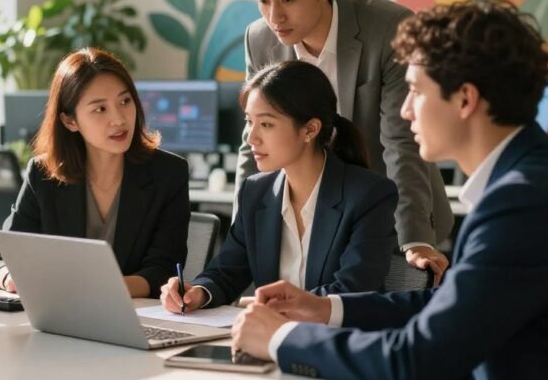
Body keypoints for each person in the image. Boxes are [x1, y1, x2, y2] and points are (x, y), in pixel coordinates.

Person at [231, 0, 548, 380]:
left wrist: (283, 338)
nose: (405, 109)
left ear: (465, 99)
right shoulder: (540, 178)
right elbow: (450, 304)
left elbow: (414, 366)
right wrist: (326, 309)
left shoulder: (525, 201)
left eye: (415, 91)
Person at [235, 0, 453, 282]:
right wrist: (242, 229)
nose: (275, 17)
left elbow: (401, 140)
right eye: (263, 1)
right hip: (309, 218)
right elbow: (253, 139)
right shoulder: (260, 40)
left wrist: (414, 239)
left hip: (389, 215)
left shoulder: (388, 28)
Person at [160, 61, 397, 313]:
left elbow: (352, 291)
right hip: (272, 340)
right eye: (249, 122)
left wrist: (273, 308)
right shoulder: (256, 192)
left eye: (266, 124)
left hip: (339, 342)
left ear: (310, 130)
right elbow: (227, 271)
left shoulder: (369, 195)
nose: (251, 137)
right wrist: (198, 292)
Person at [0, 48, 189, 298]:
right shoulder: (43, 174)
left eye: (125, 101)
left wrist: (94, 290)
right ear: (70, 121)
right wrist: (10, 278)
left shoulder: (168, 174)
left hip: (135, 317)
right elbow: (0, 258)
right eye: (100, 109)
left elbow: (162, 270)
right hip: (60, 316)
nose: (119, 119)